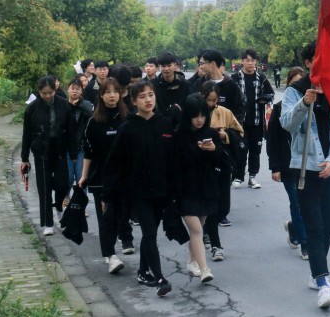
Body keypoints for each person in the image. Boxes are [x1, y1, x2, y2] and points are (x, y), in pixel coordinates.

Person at [281, 40, 330, 309]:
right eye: (319, 58)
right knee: (314, 227)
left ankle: (317, 272)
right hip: (305, 169)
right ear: (308, 63)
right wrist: (304, 103)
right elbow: (287, 124)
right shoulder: (295, 91)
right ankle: (322, 282)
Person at [103, 81, 177, 297]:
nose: (148, 100)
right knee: (149, 232)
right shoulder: (127, 128)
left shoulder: (165, 124)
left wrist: (175, 189)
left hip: (161, 191)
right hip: (137, 192)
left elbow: (173, 160)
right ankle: (160, 278)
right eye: (142, 96)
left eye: (151, 95)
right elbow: (114, 163)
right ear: (134, 101)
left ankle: (143, 271)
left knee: (150, 233)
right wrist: (107, 194)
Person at [80, 77, 134, 274]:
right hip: (100, 178)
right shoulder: (93, 122)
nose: (112, 96)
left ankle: (115, 247)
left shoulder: (127, 118)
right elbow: (88, 152)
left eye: (115, 92)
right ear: (101, 96)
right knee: (106, 217)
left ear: (120, 94)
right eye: (107, 92)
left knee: (121, 215)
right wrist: (84, 176)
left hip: (124, 177)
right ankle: (110, 255)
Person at [176, 94, 230, 284]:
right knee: (198, 230)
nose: (199, 120)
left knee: (199, 225)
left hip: (206, 188)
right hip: (185, 189)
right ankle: (204, 268)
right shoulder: (178, 135)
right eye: (195, 116)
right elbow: (175, 163)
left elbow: (222, 162)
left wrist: (214, 149)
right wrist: (195, 150)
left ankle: (192, 261)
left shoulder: (212, 134)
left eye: (202, 115)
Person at [20, 75, 71, 236]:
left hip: (60, 149)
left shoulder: (64, 104)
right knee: (44, 187)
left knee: (63, 184)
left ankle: (59, 206)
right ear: (39, 91)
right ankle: (48, 223)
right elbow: (26, 134)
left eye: (50, 92)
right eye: (44, 93)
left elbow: (71, 129)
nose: (48, 96)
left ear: (55, 90)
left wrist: (73, 152)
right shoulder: (32, 108)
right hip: (41, 151)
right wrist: (24, 158)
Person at [268, 66, 309, 260]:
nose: (297, 88)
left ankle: (294, 227)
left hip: (307, 164)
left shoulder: (312, 107)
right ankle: (305, 244)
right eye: (294, 84)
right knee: (297, 202)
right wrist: (275, 167)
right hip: (287, 165)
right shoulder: (279, 109)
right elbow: (273, 139)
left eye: (301, 84)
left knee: (307, 204)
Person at [199, 80, 243, 247]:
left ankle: (210, 227)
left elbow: (240, 132)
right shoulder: (195, 113)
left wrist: (226, 135)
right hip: (201, 163)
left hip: (222, 161)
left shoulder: (225, 112)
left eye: (214, 100)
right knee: (208, 201)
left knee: (223, 205)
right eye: (207, 100)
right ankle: (208, 234)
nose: (211, 103)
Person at [231, 48, 274, 189]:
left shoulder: (261, 78)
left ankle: (252, 177)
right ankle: (238, 176)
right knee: (241, 150)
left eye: (253, 60)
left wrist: (265, 98)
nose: (250, 63)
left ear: (256, 62)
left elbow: (271, 94)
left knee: (255, 151)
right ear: (242, 61)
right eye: (247, 60)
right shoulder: (234, 78)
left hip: (257, 121)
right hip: (239, 122)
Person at [64, 74, 94, 203]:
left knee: (81, 177)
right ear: (68, 89)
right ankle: (65, 197)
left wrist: (80, 104)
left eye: (78, 89)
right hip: (66, 148)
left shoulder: (86, 104)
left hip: (81, 147)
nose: (75, 91)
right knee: (68, 177)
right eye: (73, 88)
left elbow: (92, 114)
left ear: (82, 91)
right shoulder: (63, 105)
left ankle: (80, 203)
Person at [152, 51, 188, 123]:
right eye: (163, 66)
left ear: (175, 66)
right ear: (159, 67)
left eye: (169, 65)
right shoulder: (153, 85)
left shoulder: (184, 84)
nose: (166, 69)